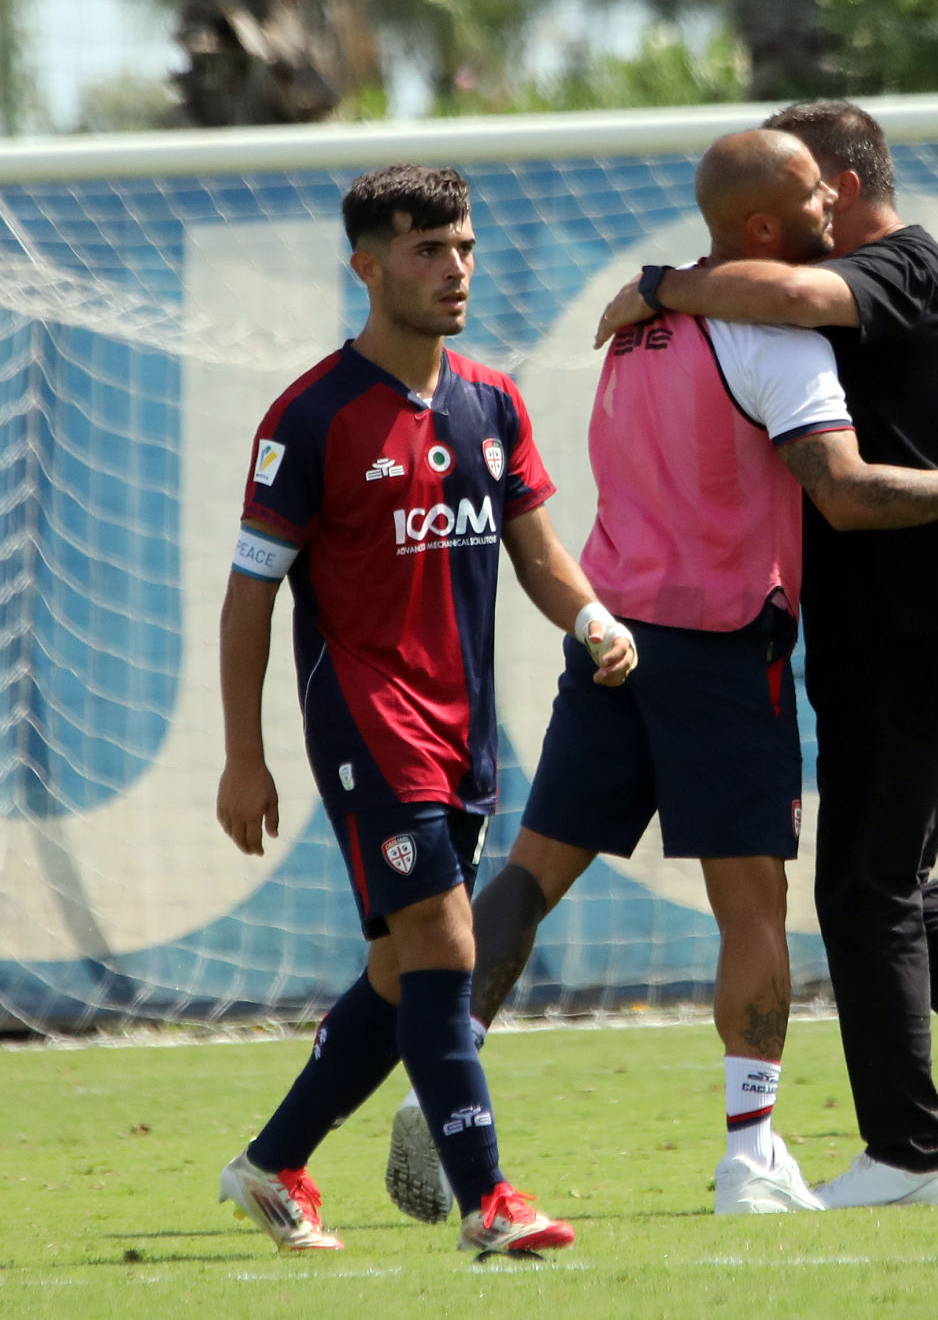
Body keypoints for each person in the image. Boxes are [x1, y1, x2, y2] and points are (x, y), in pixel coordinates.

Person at [382, 129, 938, 1220]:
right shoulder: (776, 338)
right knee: (755, 907)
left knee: (530, 875)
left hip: (614, 637)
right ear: (765, 226)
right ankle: (751, 1154)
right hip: (724, 646)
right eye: (811, 196)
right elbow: (844, 493)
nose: (832, 207)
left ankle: (448, 1080)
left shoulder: (631, 334)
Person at [585, 100, 938, 1208]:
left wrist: (661, 283)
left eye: (809, 185)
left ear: (836, 181)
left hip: (919, 620)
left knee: (863, 888)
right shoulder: (865, 286)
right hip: (918, 624)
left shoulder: (904, 266)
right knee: (882, 880)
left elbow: (788, 295)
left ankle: (911, 1152)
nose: (810, 208)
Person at [213, 163, 636, 1257]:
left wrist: (591, 619)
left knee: (403, 970)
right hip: (366, 720)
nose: (453, 271)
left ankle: (271, 1166)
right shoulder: (308, 418)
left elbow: (538, 554)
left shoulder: (489, 400)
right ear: (366, 266)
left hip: (462, 731)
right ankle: (488, 1204)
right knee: (447, 945)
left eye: (463, 249)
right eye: (425, 251)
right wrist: (241, 758)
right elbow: (249, 592)